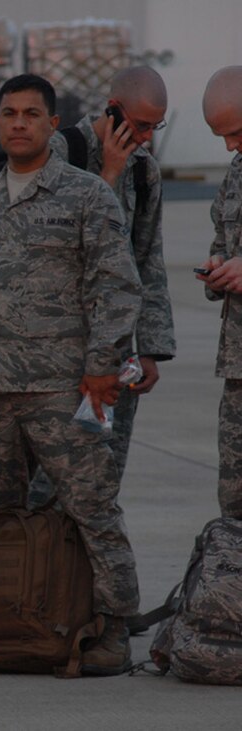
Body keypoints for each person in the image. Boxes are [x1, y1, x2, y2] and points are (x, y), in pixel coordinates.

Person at [0, 74, 143, 675]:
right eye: (9, 113)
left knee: (92, 507)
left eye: (31, 114)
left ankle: (113, 627)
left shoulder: (86, 196)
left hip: (68, 389)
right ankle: (1, 618)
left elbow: (118, 288)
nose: (19, 123)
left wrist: (102, 369)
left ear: (52, 125)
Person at [27, 66, 176, 507]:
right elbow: (50, 246)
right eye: (141, 124)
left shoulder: (145, 171)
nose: (147, 137)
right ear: (113, 109)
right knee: (45, 482)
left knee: (101, 478)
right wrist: (107, 177)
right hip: (55, 349)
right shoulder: (58, 152)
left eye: (155, 126)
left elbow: (148, 260)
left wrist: (150, 346)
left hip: (114, 347)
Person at [197, 66, 242, 519]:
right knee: (235, 506)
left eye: (236, 132)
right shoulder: (236, 174)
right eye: (221, 137)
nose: (230, 146)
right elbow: (221, 245)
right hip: (238, 367)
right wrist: (216, 269)